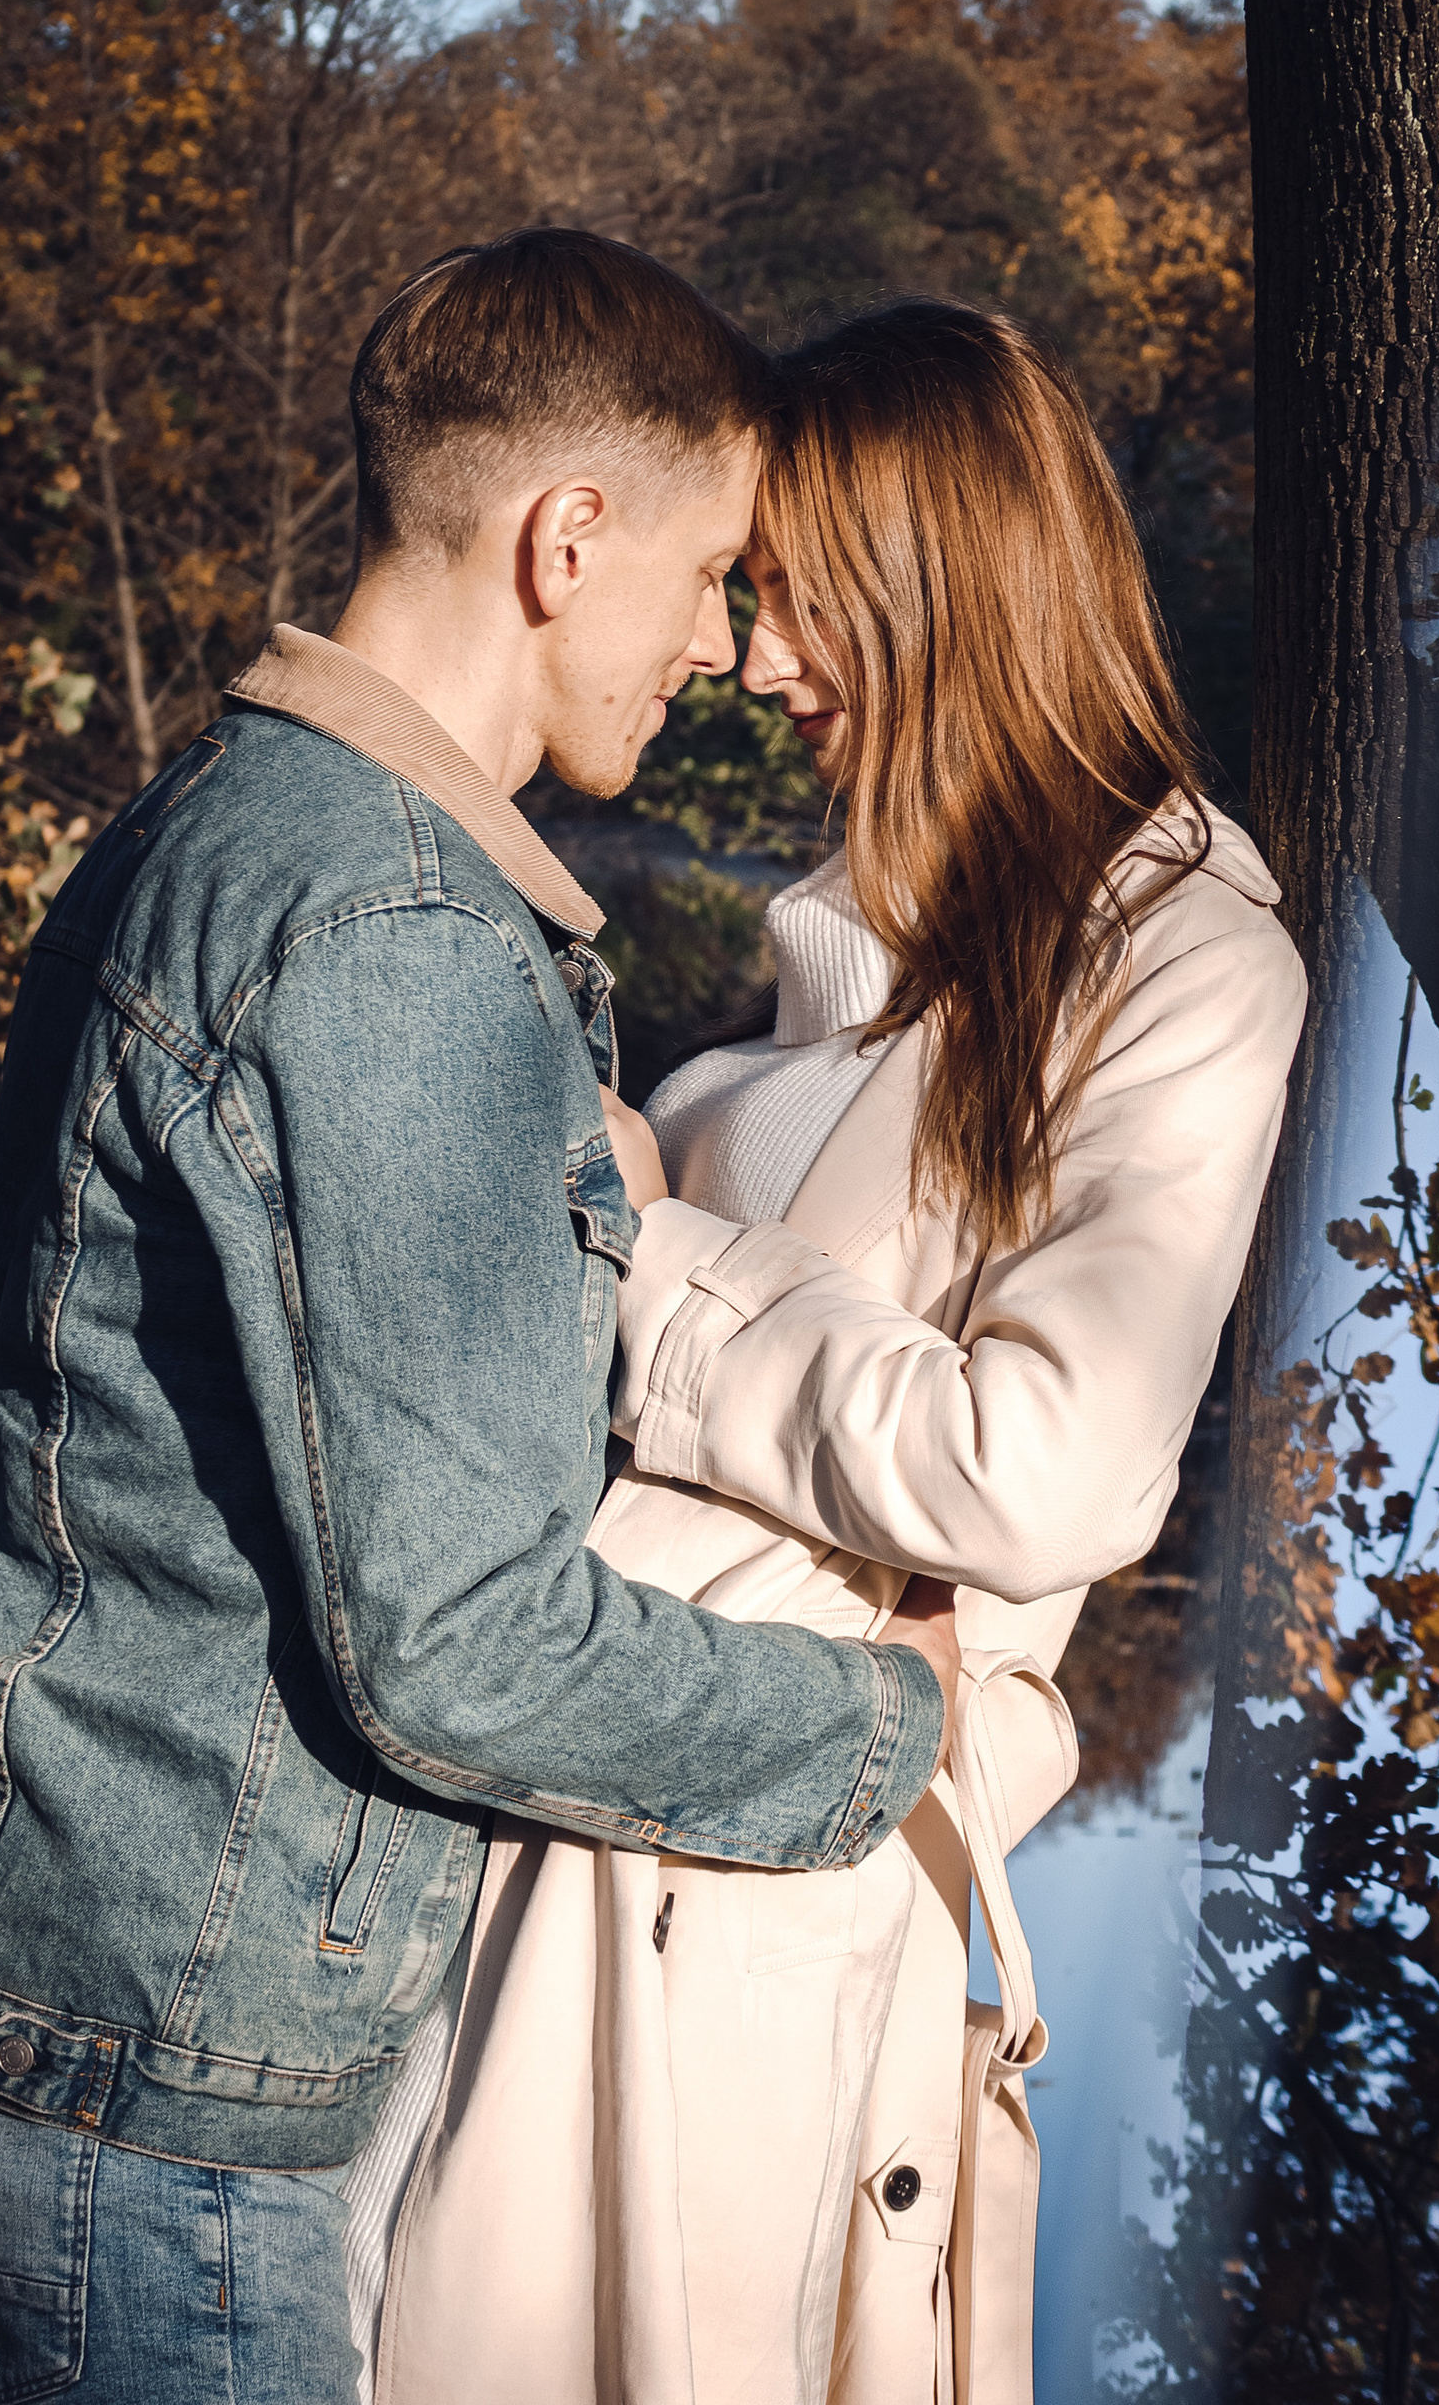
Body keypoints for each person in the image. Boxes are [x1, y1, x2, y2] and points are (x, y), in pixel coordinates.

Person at [0, 230, 961, 2405]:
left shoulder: (225, 814)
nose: (726, 649)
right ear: (567, 539)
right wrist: (884, 1728)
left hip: (26, 1962)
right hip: (144, 2085)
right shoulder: (397, 933)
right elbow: (463, 1649)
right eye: (717, 574)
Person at [373, 300, 1308, 2405]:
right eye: (743, 599)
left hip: (745, 1904)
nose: (755, 665)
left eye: (793, 604)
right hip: (565, 1806)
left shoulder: (1180, 961)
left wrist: (645, 1244)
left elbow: (1045, 1475)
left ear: (941, 583)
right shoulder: (817, 997)